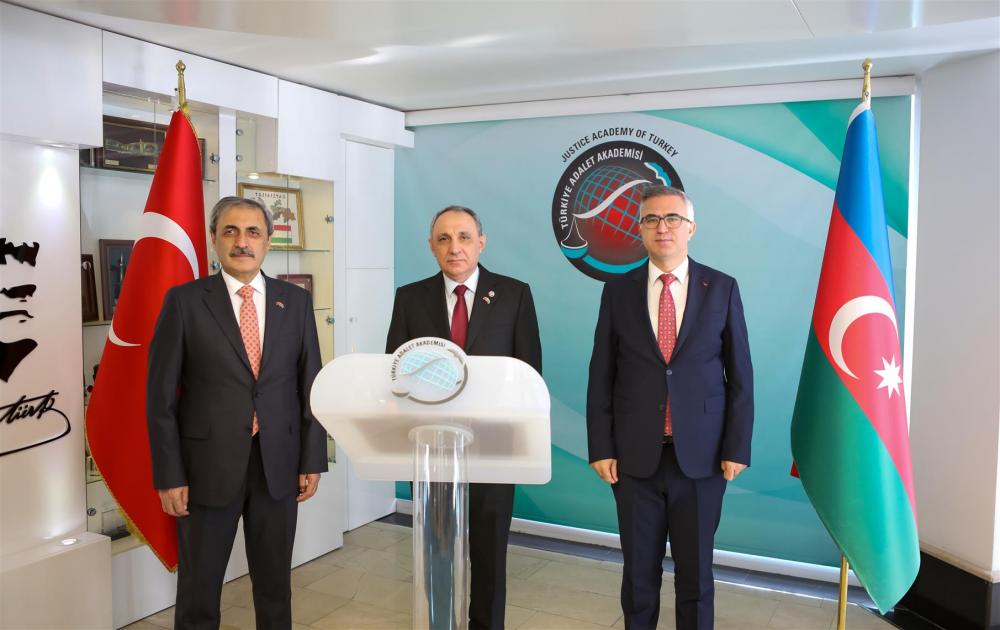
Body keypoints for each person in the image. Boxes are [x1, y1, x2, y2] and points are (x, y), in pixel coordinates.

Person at [147, 196, 328, 629]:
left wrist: (312, 459)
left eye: (252, 232)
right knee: (199, 590)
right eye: (230, 231)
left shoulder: (295, 301)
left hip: (278, 466)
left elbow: (311, 386)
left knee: (275, 588)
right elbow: (159, 397)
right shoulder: (185, 302)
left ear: (268, 241)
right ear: (214, 238)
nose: (241, 242)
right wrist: (169, 474)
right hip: (205, 469)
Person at [586, 185, 753, 630]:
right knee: (638, 577)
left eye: (672, 218)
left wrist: (736, 447)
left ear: (691, 228)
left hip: (702, 460)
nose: (663, 228)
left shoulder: (721, 288)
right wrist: (601, 446)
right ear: (640, 229)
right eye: (651, 219)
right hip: (634, 460)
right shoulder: (618, 291)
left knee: (696, 578)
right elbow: (601, 374)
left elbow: (740, 375)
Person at [385, 205, 542, 630]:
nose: (454, 247)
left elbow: (529, 374)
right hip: (431, 447)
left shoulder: (514, 294)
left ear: (481, 243)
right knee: (437, 552)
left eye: (464, 237)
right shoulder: (410, 297)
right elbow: (395, 371)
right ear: (431, 246)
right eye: (444, 239)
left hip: (494, 447)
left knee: (490, 554)